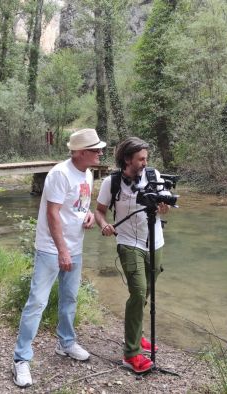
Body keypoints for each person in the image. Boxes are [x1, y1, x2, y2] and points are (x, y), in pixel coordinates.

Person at [12, 128, 106, 388]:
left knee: (70, 298)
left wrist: (88, 215)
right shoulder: (59, 174)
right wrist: (62, 250)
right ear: (80, 152)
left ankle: (66, 343)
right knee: (37, 302)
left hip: (75, 246)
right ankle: (21, 359)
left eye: (99, 148)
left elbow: (80, 204)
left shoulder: (87, 172)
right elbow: (53, 214)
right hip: (51, 248)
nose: (100, 152)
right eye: (95, 149)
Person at [94, 136, 170, 374]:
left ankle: (138, 334)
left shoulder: (153, 175)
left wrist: (164, 206)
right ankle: (131, 354)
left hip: (155, 241)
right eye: (141, 159)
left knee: (147, 290)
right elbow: (99, 211)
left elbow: (165, 203)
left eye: (147, 158)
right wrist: (104, 225)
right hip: (128, 242)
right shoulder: (111, 182)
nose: (145, 163)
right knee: (137, 292)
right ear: (127, 159)